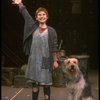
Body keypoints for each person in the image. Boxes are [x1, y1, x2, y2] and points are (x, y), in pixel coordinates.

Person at [12, 0, 59, 100]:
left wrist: (55, 60)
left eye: (43, 14)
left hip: (46, 59)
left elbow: (55, 47)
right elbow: (25, 14)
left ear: (47, 16)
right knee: (35, 84)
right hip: (34, 60)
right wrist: (20, 4)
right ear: (36, 18)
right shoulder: (33, 28)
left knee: (46, 84)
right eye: (39, 15)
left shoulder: (52, 31)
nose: (42, 16)